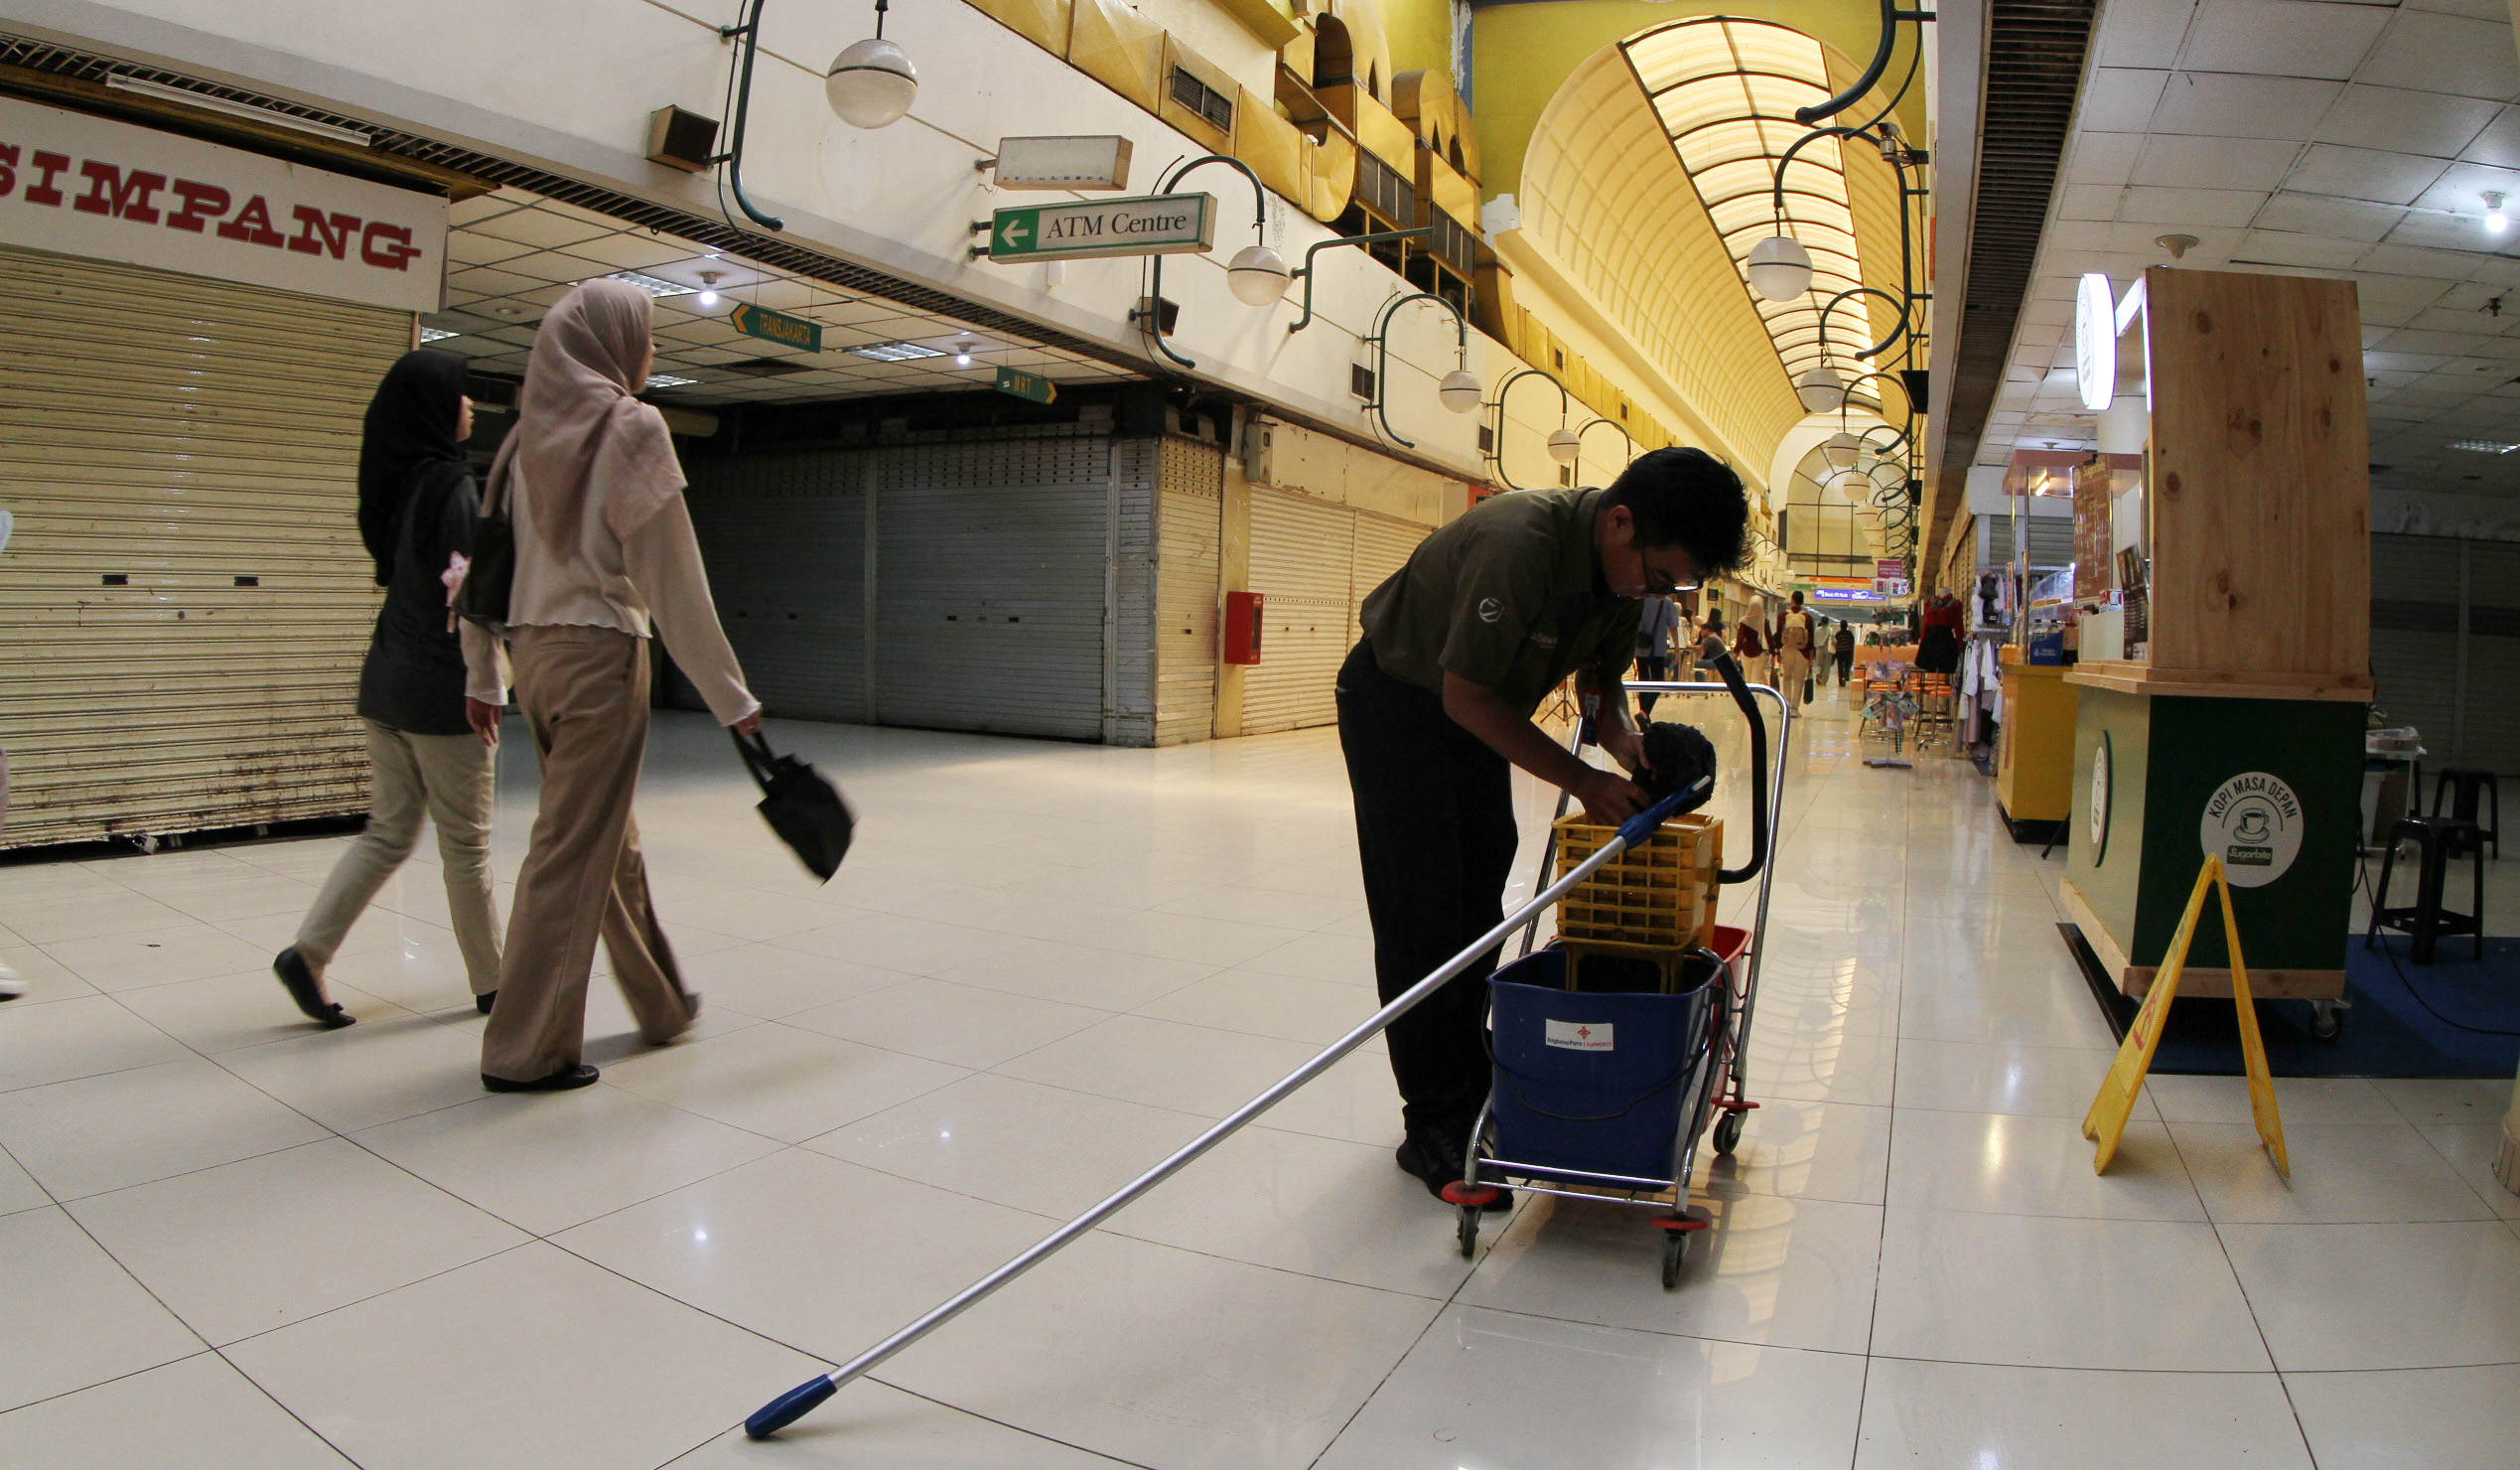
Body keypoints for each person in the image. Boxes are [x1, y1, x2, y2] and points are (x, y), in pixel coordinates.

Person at [1337, 448, 1750, 1204]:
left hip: (1468, 715)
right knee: (1422, 912)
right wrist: (1585, 781)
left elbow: (1602, 685)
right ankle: (1432, 1123)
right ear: (1621, 522)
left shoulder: (1622, 574)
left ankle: (1475, 1074)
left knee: (1478, 898)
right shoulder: (1519, 547)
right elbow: (1466, 697)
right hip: (1399, 704)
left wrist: (1624, 740)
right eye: (1660, 580)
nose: (1657, 594)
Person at [462, 278, 762, 1094]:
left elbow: (486, 571)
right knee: (569, 851)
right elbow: (671, 575)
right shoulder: (631, 425)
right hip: (599, 654)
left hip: (536, 659)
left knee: (604, 838)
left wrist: (484, 675)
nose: (652, 351)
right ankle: (522, 1050)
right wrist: (731, 697)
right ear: (610, 342)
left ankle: (661, 1002)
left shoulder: (527, 440)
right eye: (647, 336)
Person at [272, 351, 503, 1027]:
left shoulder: (400, 485)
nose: (470, 407)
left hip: (385, 684)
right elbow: (472, 598)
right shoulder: (452, 488)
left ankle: (309, 952)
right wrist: (486, 683)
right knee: (466, 845)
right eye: (461, 396)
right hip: (440, 691)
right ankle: (497, 985)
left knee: (389, 831)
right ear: (434, 410)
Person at [1633, 592, 1680, 715]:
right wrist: (1677, 649)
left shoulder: (1640, 599)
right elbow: (1673, 628)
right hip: (1657, 649)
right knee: (1658, 682)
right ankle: (1645, 713)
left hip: (1640, 647)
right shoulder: (1667, 602)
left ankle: (1643, 713)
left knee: (1643, 680)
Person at [1774, 590, 1815, 704]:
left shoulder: (1784, 616)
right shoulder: (1807, 617)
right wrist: (1811, 657)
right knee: (1799, 679)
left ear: (1792, 600)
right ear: (1802, 601)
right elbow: (1811, 639)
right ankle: (1795, 707)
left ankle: (1786, 703)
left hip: (1787, 650)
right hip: (1803, 652)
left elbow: (1778, 635)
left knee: (1787, 677)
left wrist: (1777, 652)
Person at [1918, 586, 1965, 674]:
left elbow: (1959, 626)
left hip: (1945, 641)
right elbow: (1925, 625)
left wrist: (1960, 644)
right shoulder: (1929, 603)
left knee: (1945, 666)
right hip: (1930, 641)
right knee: (1929, 666)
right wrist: (1922, 640)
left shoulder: (1955, 604)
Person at [1731, 604, 1768, 689]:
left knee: (1748, 679)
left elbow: (1740, 639)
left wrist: (1736, 653)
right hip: (1760, 652)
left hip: (1746, 652)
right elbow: (1768, 637)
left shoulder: (1744, 621)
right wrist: (1773, 653)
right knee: (1756, 680)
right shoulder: (1764, 621)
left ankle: (1749, 700)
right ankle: (1756, 699)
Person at [1832, 617, 1857, 687]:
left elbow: (1836, 643)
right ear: (1846, 626)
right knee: (1847, 666)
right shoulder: (1849, 633)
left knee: (1840, 667)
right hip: (1847, 652)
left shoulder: (1838, 634)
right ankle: (1846, 676)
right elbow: (1852, 642)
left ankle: (1841, 681)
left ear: (1840, 626)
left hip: (1839, 652)